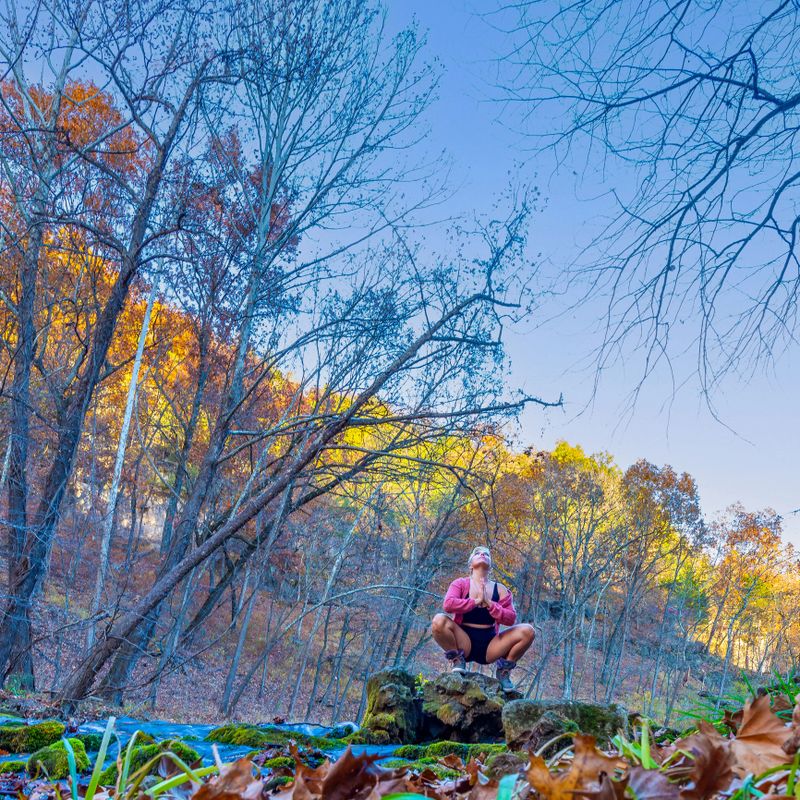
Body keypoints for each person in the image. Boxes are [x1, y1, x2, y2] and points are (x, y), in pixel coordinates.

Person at [430, 545, 535, 691]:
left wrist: (490, 604)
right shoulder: (460, 584)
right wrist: (475, 602)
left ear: (490, 565)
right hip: (463, 642)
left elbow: (511, 618)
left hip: (490, 646)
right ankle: (457, 660)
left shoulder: (501, 589)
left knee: (528, 631)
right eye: (477, 553)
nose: (482, 554)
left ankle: (504, 671)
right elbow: (448, 604)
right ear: (470, 564)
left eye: (486, 554)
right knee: (438, 620)